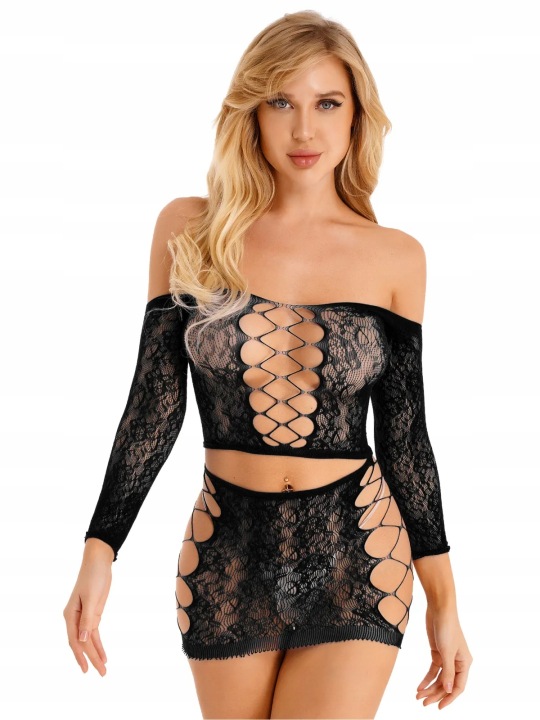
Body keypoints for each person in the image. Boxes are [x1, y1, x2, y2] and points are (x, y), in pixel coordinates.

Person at [63, 10, 472, 719]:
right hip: (226, 550)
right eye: (281, 102)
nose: (304, 129)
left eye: (327, 103)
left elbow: (405, 438)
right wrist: (100, 550)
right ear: (250, 112)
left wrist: (446, 602)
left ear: (357, 116)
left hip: (357, 546)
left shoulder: (396, 258)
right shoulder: (190, 229)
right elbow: (154, 404)